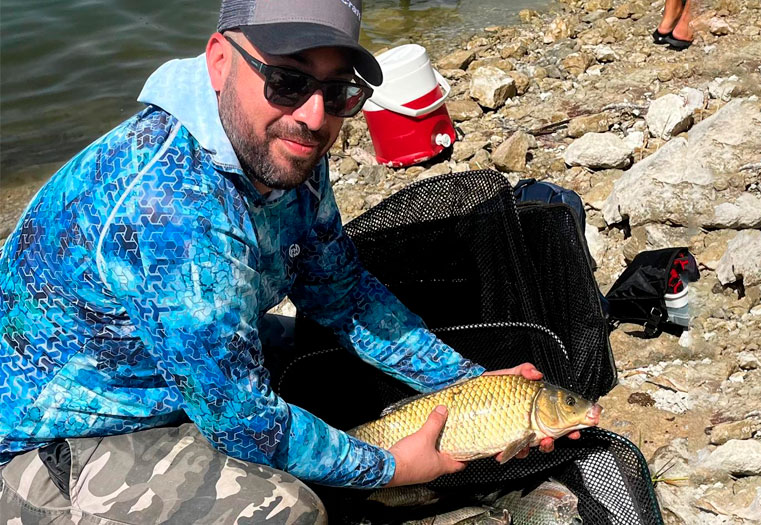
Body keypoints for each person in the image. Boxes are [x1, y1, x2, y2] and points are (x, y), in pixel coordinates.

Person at [0, 1, 578, 523]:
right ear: (220, 61)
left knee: (332, 370)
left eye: (338, 91)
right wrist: (389, 468)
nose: (313, 116)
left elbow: (342, 294)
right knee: (286, 511)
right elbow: (243, 423)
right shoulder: (170, 209)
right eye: (287, 81)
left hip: (181, 370)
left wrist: (468, 384)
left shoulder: (282, 142)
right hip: (55, 441)